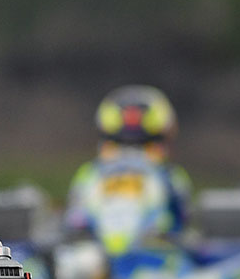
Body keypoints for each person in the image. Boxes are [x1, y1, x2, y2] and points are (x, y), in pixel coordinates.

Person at [65, 85, 191, 237]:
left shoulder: (169, 177)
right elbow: (74, 218)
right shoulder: (90, 174)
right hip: (95, 251)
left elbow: (182, 224)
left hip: (154, 248)